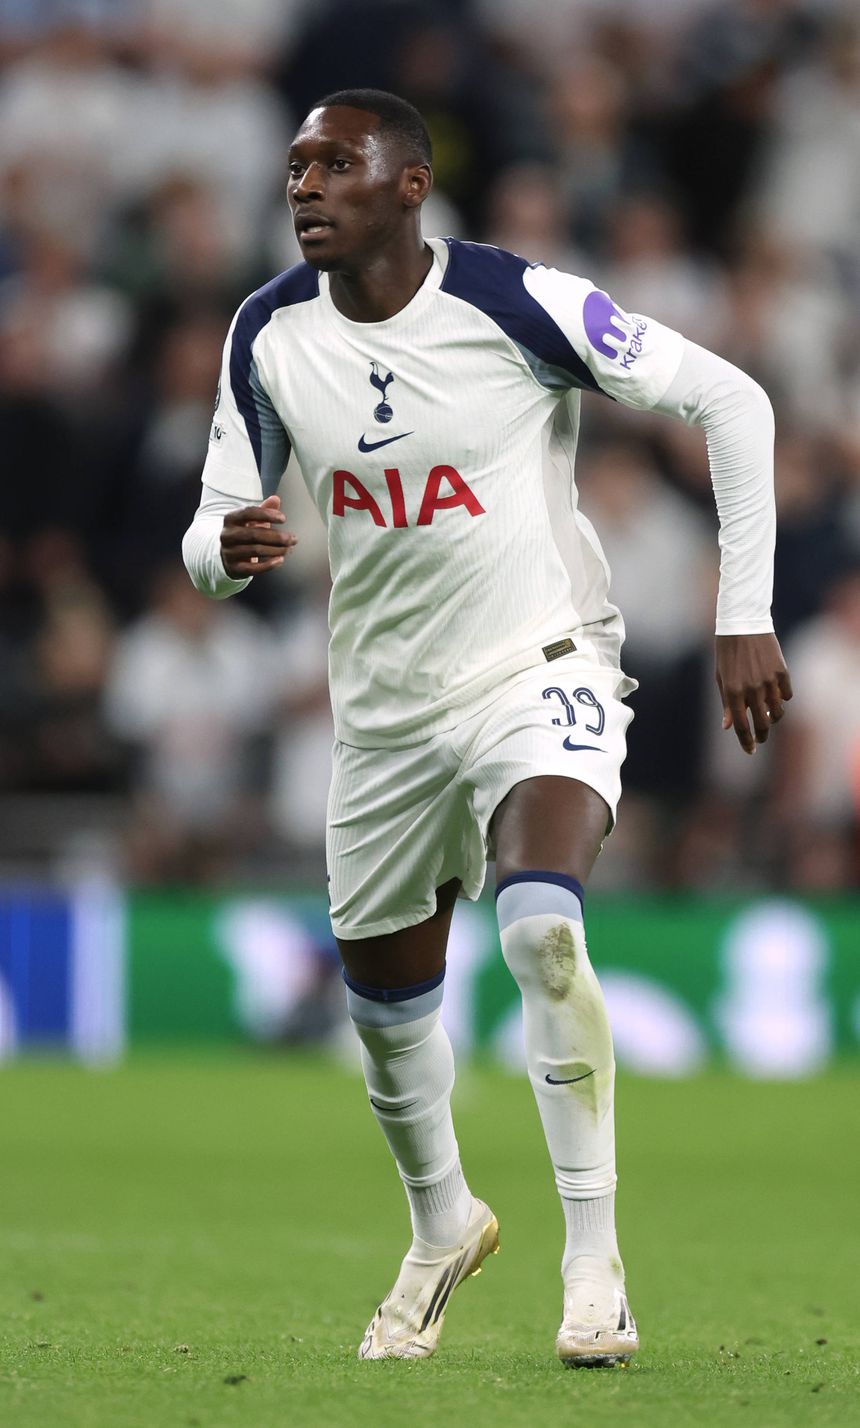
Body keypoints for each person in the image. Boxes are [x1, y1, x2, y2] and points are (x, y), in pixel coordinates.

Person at [182, 89, 792, 1367]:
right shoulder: (268, 332)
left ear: (409, 185)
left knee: (541, 930)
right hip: (383, 718)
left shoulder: (516, 302)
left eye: (334, 164)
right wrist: (220, 555)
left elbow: (731, 401)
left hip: (539, 663)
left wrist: (742, 614)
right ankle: (441, 1225)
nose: (304, 187)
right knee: (387, 1018)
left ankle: (593, 1264)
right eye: (294, 166)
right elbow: (212, 523)